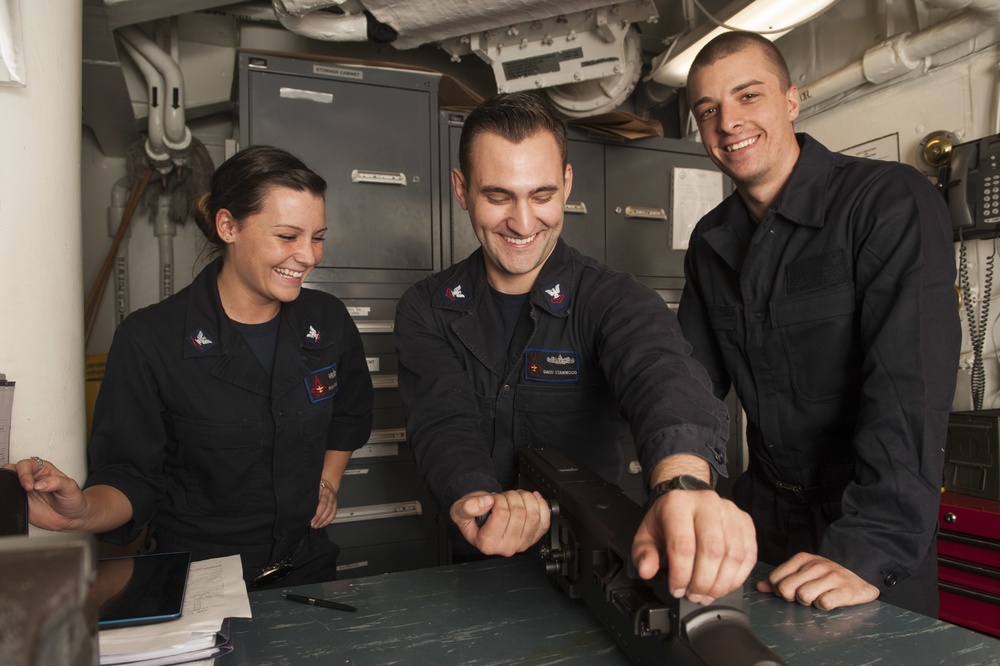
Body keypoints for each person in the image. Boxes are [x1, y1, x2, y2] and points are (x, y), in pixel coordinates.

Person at [394, 91, 757, 606]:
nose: (522, 223)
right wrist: (478, 496)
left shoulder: (611, 297)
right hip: (475, 572)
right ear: (461, 189)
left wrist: (685, 484)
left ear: (566, 183)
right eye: (498, 197)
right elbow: (442, 418)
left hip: (590, 574)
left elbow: (661, 372)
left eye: (541, 195)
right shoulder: (426, 308)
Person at [678, 31, 960, 616]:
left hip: (869, 522)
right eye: (708, 110)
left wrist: (870, 547)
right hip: (764, 521)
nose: (728, 122)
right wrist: (683, 495)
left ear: (790, 100)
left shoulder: (886, 202)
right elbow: (690, 388)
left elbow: (909, 388)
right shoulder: (711, 241)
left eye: (748, 96)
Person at [7, 145, 374, 588]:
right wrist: (81, 512)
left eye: (317, 237)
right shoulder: (149, 340)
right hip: (200, 580)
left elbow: (350, 414)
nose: (310, 256)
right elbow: (130, 476)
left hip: (308, 566)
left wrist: (329, 480)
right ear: (227, 226)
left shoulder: (328, 320)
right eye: (287, 236)